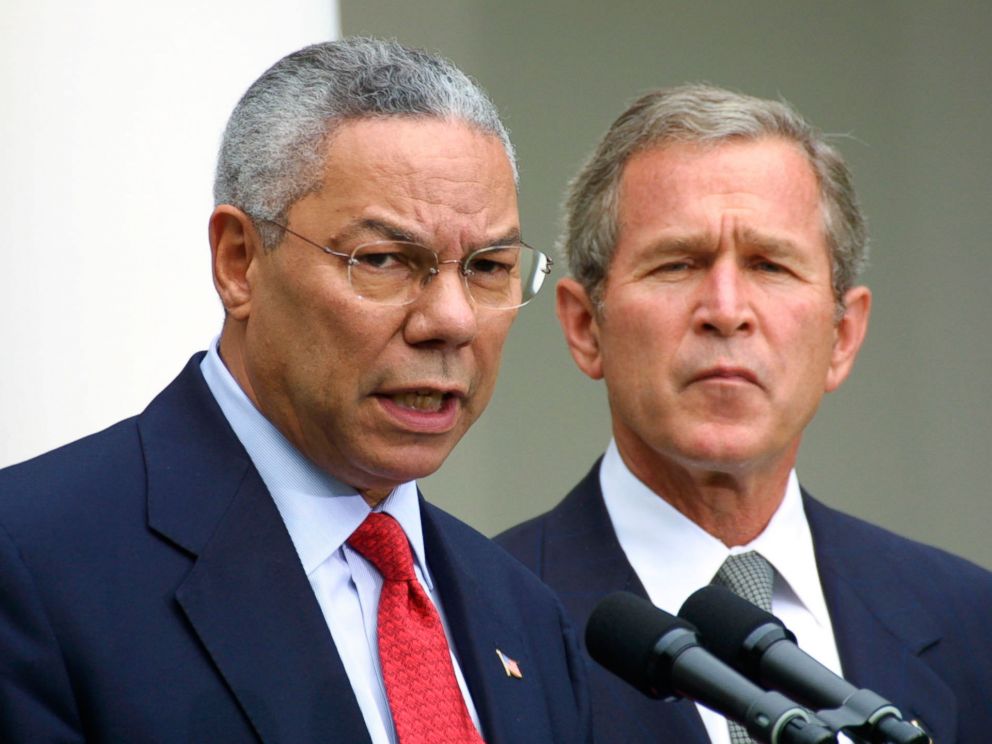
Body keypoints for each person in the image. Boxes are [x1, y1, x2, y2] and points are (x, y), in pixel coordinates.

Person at [0, 38, 590, 743]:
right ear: (239, 262)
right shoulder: (35, 564)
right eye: (384, 261)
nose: (452, 321)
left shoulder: (525, 615)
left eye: (489, 267)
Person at [497, 84, 992, 744]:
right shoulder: (488, 617)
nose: (726, 309)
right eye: (677, 263)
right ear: (586, 326)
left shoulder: (971, 620)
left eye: (770, 264)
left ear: (843, 336)